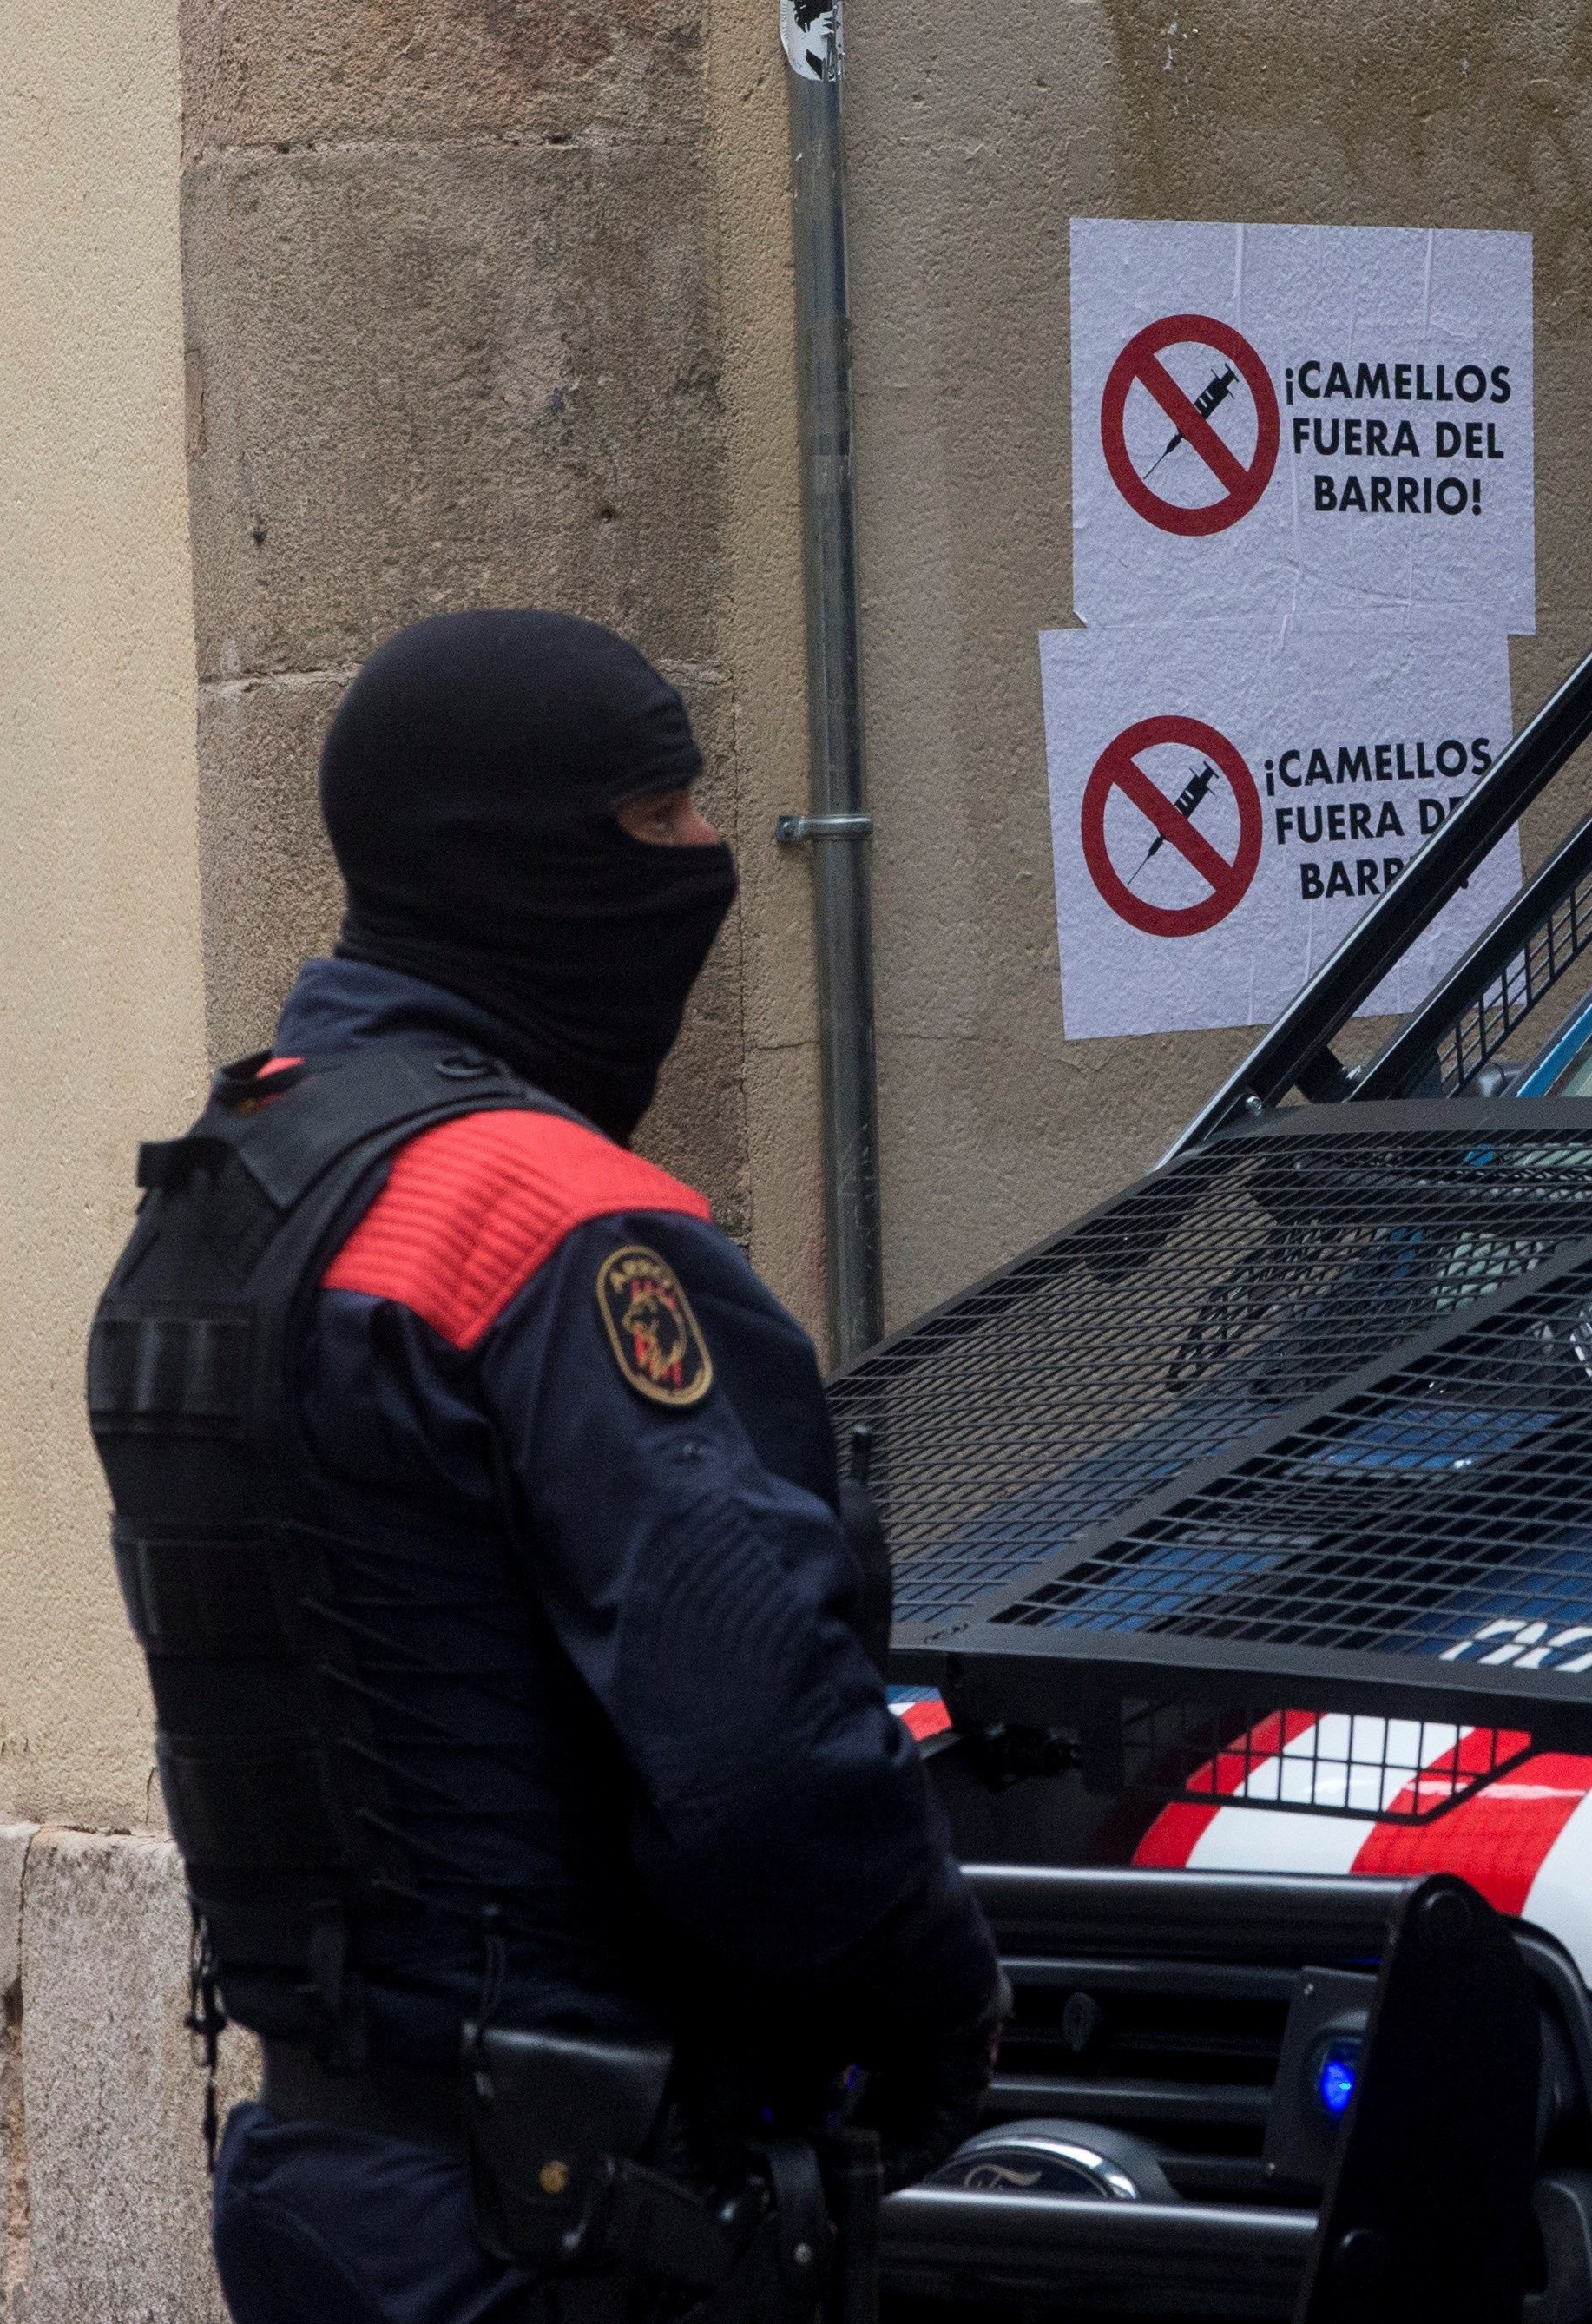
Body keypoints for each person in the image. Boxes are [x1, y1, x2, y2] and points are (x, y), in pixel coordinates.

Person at [86, 611, 1003, 2322]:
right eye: (658, 817)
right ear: (507, 855)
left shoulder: (216, 1201)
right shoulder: (549, 1225)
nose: (710, 855)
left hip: (317, 2180)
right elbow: (768, 1780)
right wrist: (947, 2015)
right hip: (572, 2222)